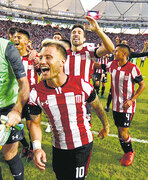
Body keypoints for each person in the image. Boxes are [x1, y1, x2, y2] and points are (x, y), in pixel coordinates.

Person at [28, 40, 109, 180]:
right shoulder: (35, 93)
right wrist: (37, 147)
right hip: (58, 147)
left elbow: (97, 106)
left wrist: (106, 125)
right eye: (41, 57)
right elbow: (35, 123)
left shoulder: (81, 85)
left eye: (48, 57)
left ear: (62, 62)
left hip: (82, 145)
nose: (42, 61)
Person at [64, 16, 114, 122]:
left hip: (84, 98)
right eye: (74, 32)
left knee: (85, 131)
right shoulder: (63, 54)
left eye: (79, 32)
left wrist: (98, 30)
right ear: (70, 37)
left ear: (84, 39)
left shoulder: (88, 52)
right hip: (65, 98)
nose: (76, 34)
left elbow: (110, 48)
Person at [104, 44, 145, 166]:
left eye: (116, 51)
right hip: (116, 106)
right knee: (119, 131)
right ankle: (126, 151)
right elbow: (98, 65)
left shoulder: (132, 68)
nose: (114, 53)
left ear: (124, 54)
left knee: (123, 132)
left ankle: (130, 152)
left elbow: (142, 85)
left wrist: (132, 100)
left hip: (127, 106)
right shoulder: (112, 65)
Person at [0, 37, 29, 179]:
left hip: (7, 109)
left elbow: (24, 83)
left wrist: (16, 110)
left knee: (9, 154)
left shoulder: (7, 48)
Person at [13, 28, 39, 162]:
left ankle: (32, 149)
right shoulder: (10, 57)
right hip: (15, 97)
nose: (16, 39)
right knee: (13, 124)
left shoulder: (34, 58)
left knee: (31, 126)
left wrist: (36, 56)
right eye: (15, 37)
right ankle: (25, 145)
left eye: (19, 37)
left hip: (31, 98)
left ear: (27, 41)